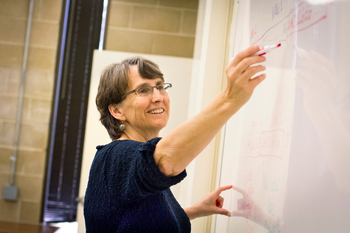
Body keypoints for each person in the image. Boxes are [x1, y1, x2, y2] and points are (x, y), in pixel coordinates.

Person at [83, 45, 266, 232]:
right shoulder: (114, 157)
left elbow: (139, 223)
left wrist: (193, 211)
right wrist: (229, 99)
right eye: (143, 90)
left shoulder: (138, 170)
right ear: (117, 110)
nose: (158, 97)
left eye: (160, 87)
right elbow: (162, 161)